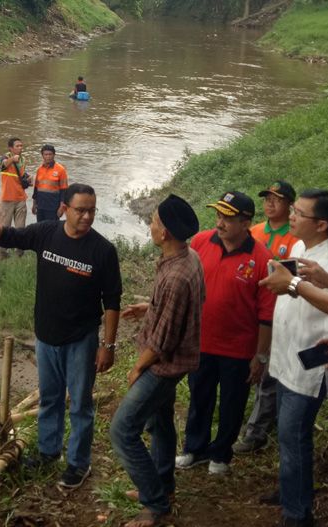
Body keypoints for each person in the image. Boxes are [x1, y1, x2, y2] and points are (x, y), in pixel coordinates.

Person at [0, 184, 122, 490]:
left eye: (92, 210)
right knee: (50, 400)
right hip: (46, 336)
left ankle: (78, 464)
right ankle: (48, 452)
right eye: (80, 210)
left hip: (81, 340)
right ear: (64, 208)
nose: (86, 216)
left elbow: (112, 302)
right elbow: (7, 237)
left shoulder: (102, 250)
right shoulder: (46, 233)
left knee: (80, 405)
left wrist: (107, 346)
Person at [257, 189, 328, 527]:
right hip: (286, 357)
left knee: (294, 436)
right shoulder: (301, 247)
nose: (292, 216)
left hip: (308, 365)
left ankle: (297, 514)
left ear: (322, 224)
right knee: (288, 434)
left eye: (299, 213)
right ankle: (290, 492)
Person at [109, 194, 204, 527]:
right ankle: (163, 484)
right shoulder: (186, 257)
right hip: (172, 361)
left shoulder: (177, 275)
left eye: (153, 221)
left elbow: (162, 341)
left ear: (164, 233)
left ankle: (155, 503)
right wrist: (149, 308)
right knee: (159, 423)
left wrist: (138, 367)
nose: (150, 225)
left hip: (163, 366)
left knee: (122, 430)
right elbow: (177, 310)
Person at [175, 191, 274, 475]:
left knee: (232, 403)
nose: (220, 223)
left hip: (238, 348)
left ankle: (221, 453)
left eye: (228, 218)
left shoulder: (261, 258)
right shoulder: (200, 242)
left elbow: (266, 315)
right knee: (199, 397)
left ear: (246, 222)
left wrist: (261, 356)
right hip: (201, 341)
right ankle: (195, 448)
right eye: (219, 216)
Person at [235, 180, 300, 454]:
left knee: (268, 370)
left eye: (277, 199)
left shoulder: (295, 239)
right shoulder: (255, 231)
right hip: (249, 309)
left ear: (290, 205)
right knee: (247, 364)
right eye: (267, 198)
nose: (270, 203)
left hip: (279, 312)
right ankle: (248, 418)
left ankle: (257, 431)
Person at [0, 137, 30, 254]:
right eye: (17, 146)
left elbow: (21, 174)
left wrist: (28, 178)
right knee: (5, 228)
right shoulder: (5, 157)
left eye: (21, 146)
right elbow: (3, 165)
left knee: (21, 228)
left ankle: (20, 253)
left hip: (21, 198)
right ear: (10, 148)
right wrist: (12, 159)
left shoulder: (23, 160)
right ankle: (3, 252)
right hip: (7, 199)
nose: (20, 148)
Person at [32, 144, 69, 222]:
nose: (48, 156)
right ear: (42, 155)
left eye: (50, 154)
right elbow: (36, 188)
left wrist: (61, 207)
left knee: (52, 230)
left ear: (54, 155)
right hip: (40, 205)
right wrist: (34, 204)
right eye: (46, 154)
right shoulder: (39, 169)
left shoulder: (61, 170)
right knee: (40, 229)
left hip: (53, 207)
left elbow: (64, 190)